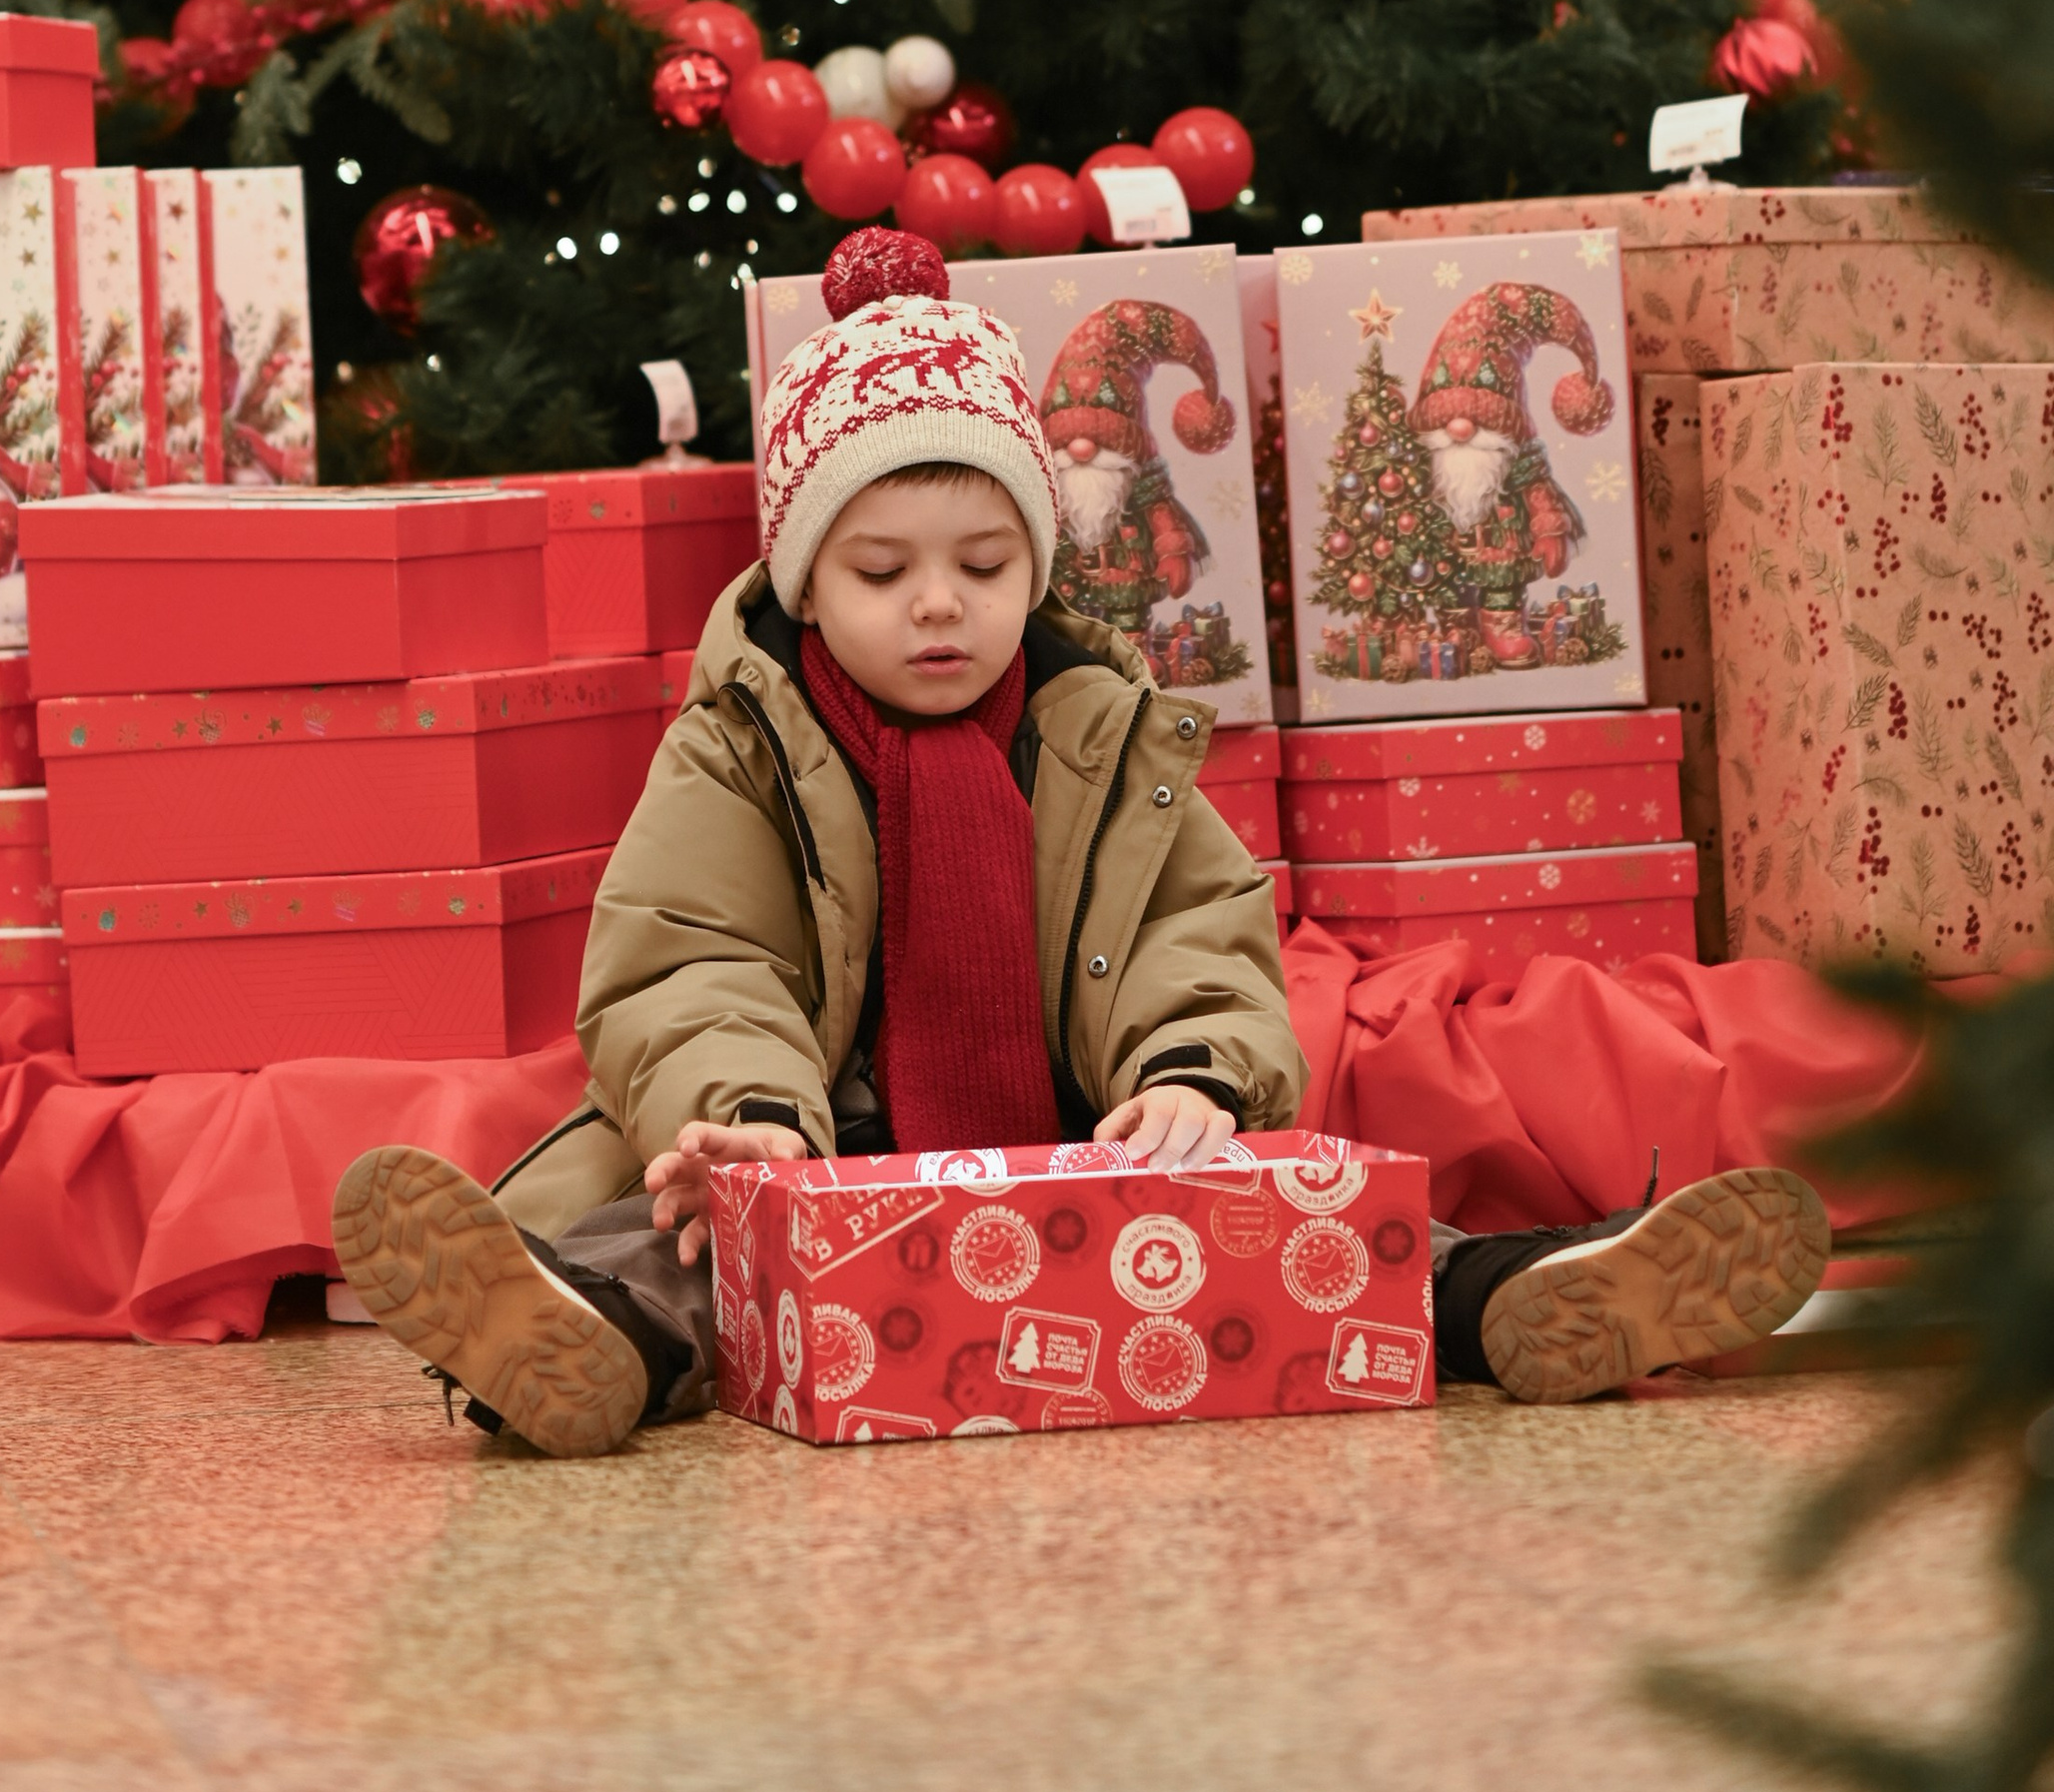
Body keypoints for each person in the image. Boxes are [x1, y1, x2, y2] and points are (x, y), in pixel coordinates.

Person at [334, 233, 1827, 1453]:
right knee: (675, 1237)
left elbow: (1198, 934)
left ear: (1037, 564)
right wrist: (751, 1114)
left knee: (1292, 1213)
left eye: (984, 567)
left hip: (1075, 1147)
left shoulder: (1101, 733)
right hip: (814, 1144)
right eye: (882, 569)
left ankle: (1517, 1295)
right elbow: (688, 957)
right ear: (801, 575)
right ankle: (571, 1336)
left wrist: (1187, 1081)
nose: (940, 606)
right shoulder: (740, 738)